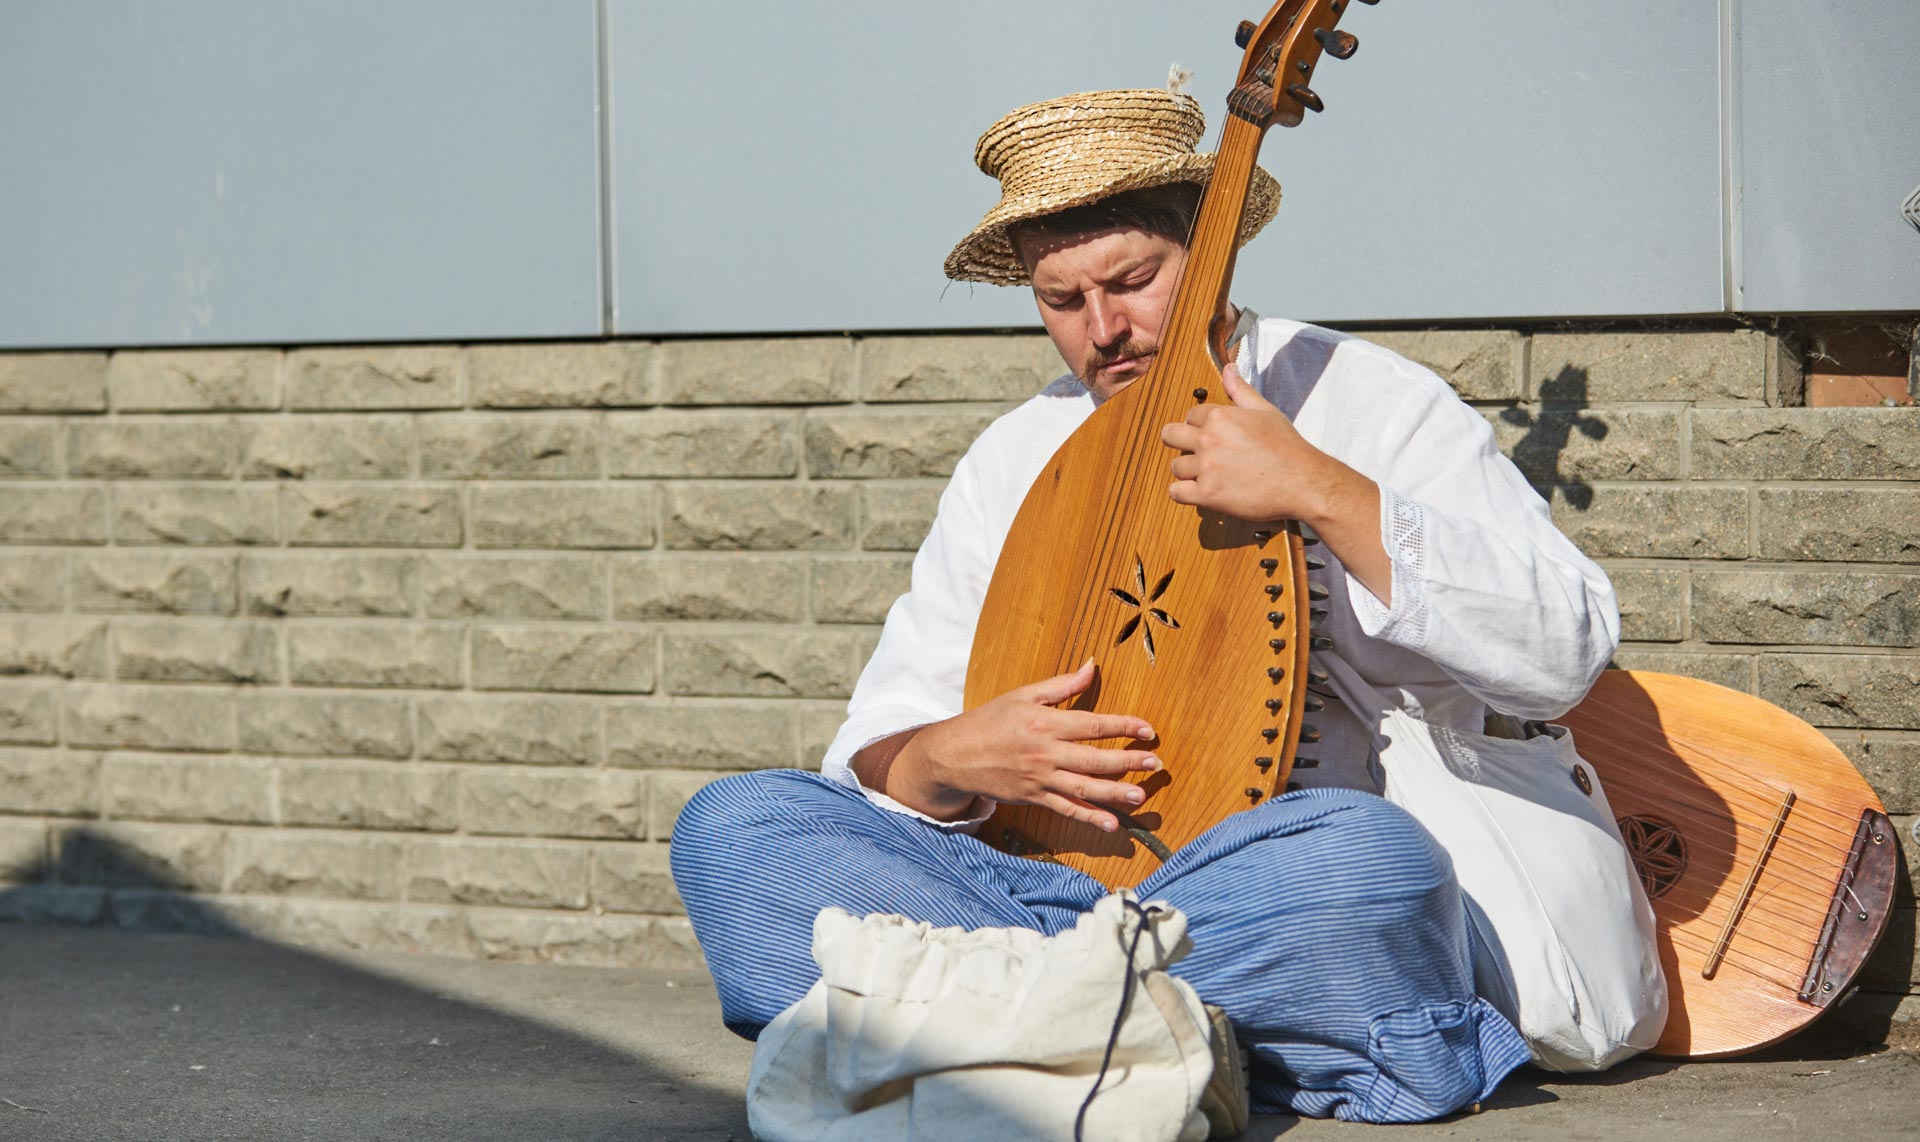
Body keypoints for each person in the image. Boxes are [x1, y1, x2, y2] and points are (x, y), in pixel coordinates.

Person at [670, 88, 1624, 1124]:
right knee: (732, 830)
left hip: (1272, 891)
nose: (1104, 329)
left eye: (1133, 280)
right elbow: (875, 742)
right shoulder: (1015, 458)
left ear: (1207, 257)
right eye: (1061, 299)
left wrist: (1319, 486)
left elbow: (1565, 651)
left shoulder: (1365, 400)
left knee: (1368, 862)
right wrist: (948, 758)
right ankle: (1160, 1025)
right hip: (1065, 891)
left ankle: (1005, 1026)